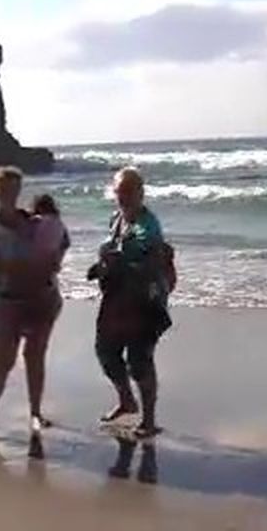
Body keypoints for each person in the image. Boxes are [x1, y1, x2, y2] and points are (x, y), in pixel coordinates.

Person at [0, 166, 64, 438]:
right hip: (7, 300)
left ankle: (36, 413)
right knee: (2, 361)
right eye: (5, 188)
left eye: (15, 188)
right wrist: (33, 266)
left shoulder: (32, 220)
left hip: (41, 297)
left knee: (35, 357)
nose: (11, 193)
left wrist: (49, 262)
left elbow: (57, 248)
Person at [88, 167, 175, 439]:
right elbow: (112, 252)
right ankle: (126, 399)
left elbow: (152, 259)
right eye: (119, 191)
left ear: (141, 192)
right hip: (115, 297)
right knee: (105, 351)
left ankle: (149, 420)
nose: (123, 196)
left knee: (139, 360)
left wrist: (121, 261)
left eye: (129, 191)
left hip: (142, 299)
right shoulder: (116, 219)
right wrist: (100, 266)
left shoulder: (148, 224)